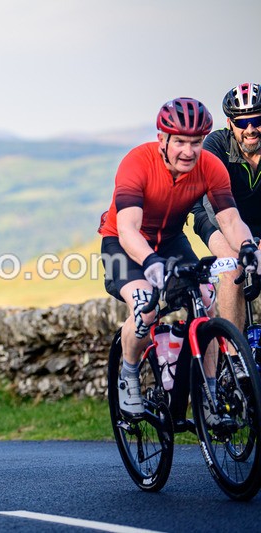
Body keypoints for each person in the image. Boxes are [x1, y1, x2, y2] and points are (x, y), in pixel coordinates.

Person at [98, 98, 261, 425]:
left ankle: (211, 397)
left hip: (171, 239)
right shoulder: (137, 163)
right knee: (145, 303)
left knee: (206, 301)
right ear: (163, 139)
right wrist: (150, 262)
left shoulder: (210, 166)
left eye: (196, 143)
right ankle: (128, 377)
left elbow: (229, 219)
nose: (189, 151)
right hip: (123, 242)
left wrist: (246, 247)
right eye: (181, 142)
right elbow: (128, 229)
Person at [192, 83, 261, 333]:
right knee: (233, 266)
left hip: (255, 219)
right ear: (230, 123)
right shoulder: (216, 145)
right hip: (215, 215)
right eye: (242, 123)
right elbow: (216, 209)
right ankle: (235, 360)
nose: (251, 129)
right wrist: (247, 246)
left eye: (257, 120)